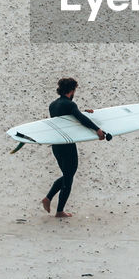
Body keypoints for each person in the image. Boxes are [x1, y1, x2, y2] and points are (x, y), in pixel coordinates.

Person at [41, 77, 107, 218]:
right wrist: (97, 129)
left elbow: (67, 118)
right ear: (72, 90)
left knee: (67, 175)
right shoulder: (70, 105)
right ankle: (57, 209)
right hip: (67, 144)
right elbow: (80, 119)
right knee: (69, 176)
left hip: (56, 145)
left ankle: (50, 201)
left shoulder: (53, 105)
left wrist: (83, 112)